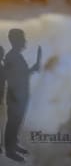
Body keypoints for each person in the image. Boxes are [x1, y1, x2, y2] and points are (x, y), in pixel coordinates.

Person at [4, 29, 40, 163]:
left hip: (20, 96)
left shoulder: (17, 56)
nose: (25, 41)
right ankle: (9, 150)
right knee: (12, 123)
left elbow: (21, 75)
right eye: (22, 38)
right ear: (16, 40)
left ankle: (14, 144)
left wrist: (32, 69)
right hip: (15, 98)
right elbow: (12, 79)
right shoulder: (12, 57)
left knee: (17, 122)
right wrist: (17, 98)